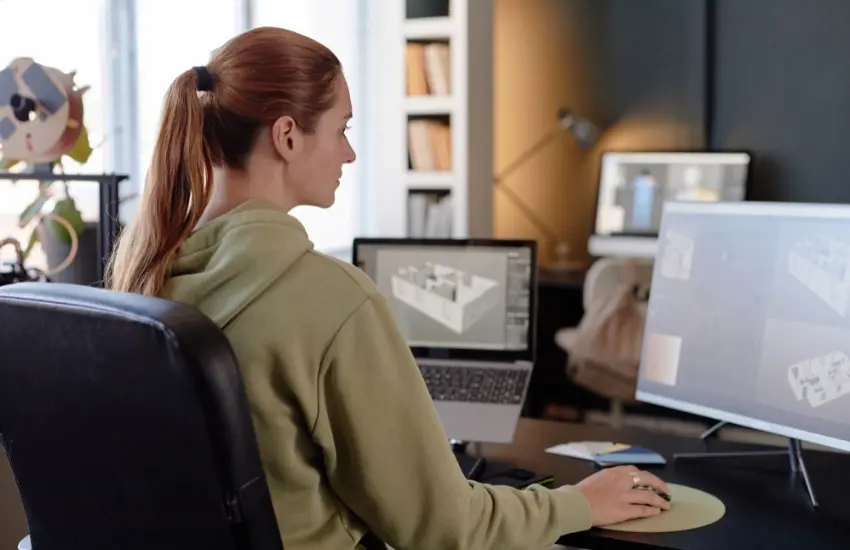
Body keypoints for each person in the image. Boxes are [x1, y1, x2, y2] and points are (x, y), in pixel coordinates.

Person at [107, 27, 670, 550]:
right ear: (286, 136)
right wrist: (578, 504)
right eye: (341, 129)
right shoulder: (332, 300)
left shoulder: (143, 282)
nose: (349, 153)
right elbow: (444, 527)